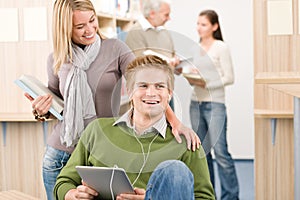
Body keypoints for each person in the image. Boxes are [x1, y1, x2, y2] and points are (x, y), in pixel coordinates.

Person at [24, 1, 199, 199]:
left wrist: (175, 122)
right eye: (80, 26)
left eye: (92, 21)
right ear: (64, 28)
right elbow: (57, 101)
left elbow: (146, 84)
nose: (90, 29)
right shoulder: (56, 58)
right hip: (60, 154)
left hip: (100, 150)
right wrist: (40, 110)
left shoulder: (116, 49)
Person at [53, 55, 215, 200]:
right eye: (143, 86)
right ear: (130, 92)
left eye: (159, 86)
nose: (151, 93)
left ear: (169, 94)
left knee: (174, 169)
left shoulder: (187, 143)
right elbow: (63, 182)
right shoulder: (97, 131)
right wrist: (72, 195)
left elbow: (205, 197)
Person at [185, 10, 239, 200]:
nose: (199, 28)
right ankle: (209, 195)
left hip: (215, 104)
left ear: (214, 26)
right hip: (196, 104)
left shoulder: (220, 47)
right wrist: (188, 74)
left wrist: (207, 84)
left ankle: (231, 196)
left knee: (221, 153)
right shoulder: (196, 48)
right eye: (198, 24)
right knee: (202, 153)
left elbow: (229, 77)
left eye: (204, 24)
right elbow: (193, 75)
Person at [125, 0, 180, 110]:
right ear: (152, 14)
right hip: (148, 96)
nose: (169, 18)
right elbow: (140, 67)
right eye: (166, 15)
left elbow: (172, 55)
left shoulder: (164, 32)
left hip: (166, 90)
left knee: (169, 126)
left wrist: (175, 61)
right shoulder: (135, 32)